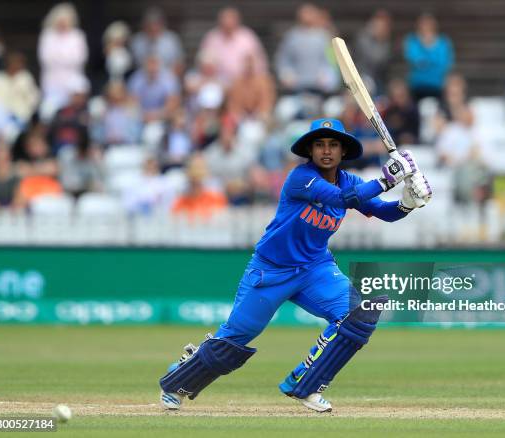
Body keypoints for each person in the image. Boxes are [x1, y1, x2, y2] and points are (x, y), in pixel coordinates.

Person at [158, 118, 432, 412]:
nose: (326, 151)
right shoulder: (300, 177)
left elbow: (384, 213)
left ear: (343, 151)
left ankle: (307, 384)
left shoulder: (349, 180)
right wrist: (387, 179)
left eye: (333, 145)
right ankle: (178, 380)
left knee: (356, 316)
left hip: (316, 268)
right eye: (319, 145)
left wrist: (408, 203)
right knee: (234, 341)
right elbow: (341, 198)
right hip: (271, 270)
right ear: (310, 151)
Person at [275, 3, 339, 95]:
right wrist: (286, 75)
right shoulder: (291, 37)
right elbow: (283, 60)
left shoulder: (324, 37)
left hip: (320, 88)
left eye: (310, 13)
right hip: (297, 87)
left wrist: (327, 75)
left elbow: (331, 61)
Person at [38, 3, 89, 116]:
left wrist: (59, 57)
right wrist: (65, 58)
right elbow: (46, 58)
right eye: (60, 20)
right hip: (52, 80)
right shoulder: (48, 36)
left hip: (73, 79)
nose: (62, 23)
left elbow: (79, 58)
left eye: (65, 20)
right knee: (49, 111)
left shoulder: (77, 35)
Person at [198, 7, 268, 86]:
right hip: (218, 82)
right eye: (225, 19)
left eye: (231, 19)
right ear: (219, 21)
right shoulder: (212, 38)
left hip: (244, 80)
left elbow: (259, 62)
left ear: (237, 21)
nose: (228, 22)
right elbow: (203, 64)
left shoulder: (247, 37)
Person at [403, 13, 454, 102]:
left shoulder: (443, 42)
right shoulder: (412, 40)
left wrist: (425, 62)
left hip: (437, 86)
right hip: (417, 86)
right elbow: (414, 59)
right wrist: (432, 62)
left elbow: (444, 63)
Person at [130, 8, 184, 73]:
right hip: (143, 77)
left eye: (156, 24)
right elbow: (133, 65)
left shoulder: (172, 40)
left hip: (167, 77)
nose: (153, 28)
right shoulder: (137, 41)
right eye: (149, 25)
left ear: (162, 25)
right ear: (144, 26)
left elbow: (179, 64)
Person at [354, 10, 393, 96]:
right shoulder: (363, 37)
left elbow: (386, 63)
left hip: (380, 79)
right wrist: (380, 41)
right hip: (362, 75)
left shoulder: (386, 41)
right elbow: (373, 59)